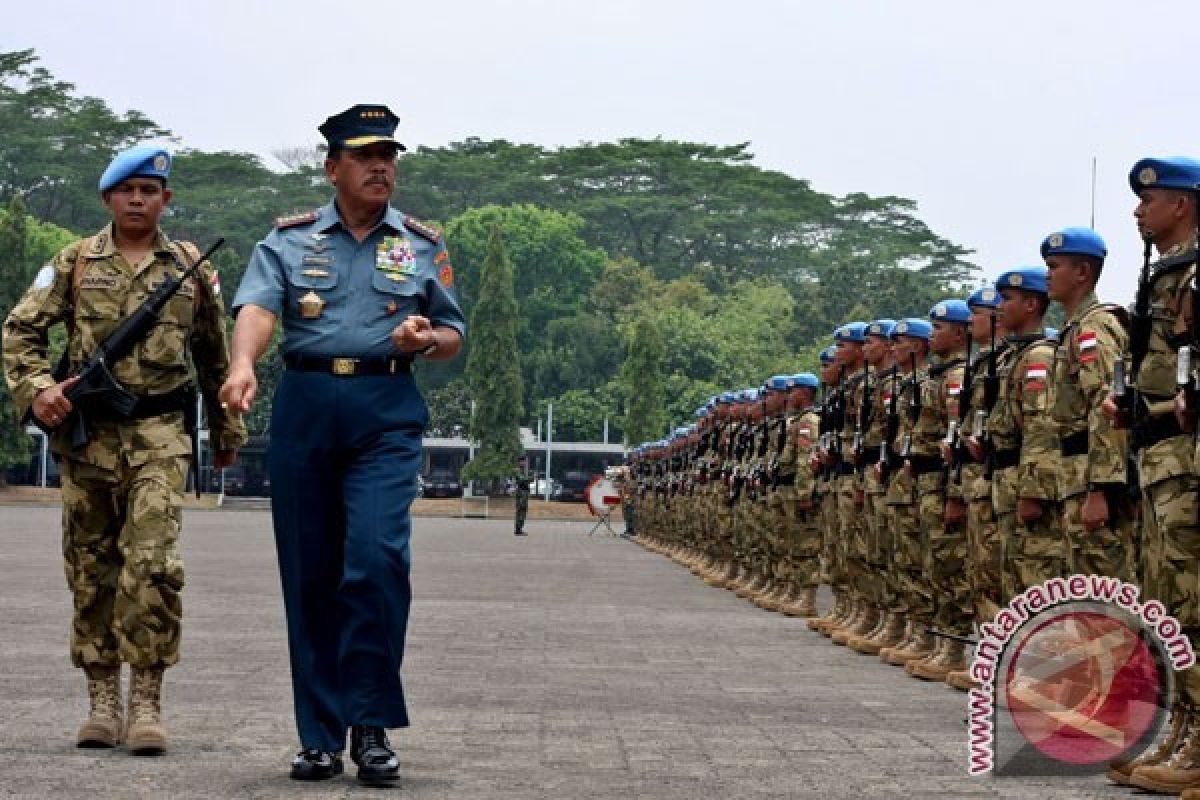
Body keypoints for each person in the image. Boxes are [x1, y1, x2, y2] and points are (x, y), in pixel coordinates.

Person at [218, 104, 466, 786]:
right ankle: (320, 736)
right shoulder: (289, 241)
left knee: (377, 559)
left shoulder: (420, 244)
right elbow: (259, 309)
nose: (381, 166)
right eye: (365, 156)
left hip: (385, 411)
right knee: (310, 574)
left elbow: (452, 334)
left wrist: (425, 340)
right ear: (333, 168)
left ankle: (373, 722)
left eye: (389, 155)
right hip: (305, 407)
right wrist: (242, 364)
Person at [2, 145, 245, 754]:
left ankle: (146, 701)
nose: (139, 199)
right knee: (93, 570)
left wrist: (227, 431)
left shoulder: (189, 267)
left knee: (154, 563)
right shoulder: (75, 261)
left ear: (165, 200)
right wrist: (38, 391)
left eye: (150, 190)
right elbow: (21, 330)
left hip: (160, 435)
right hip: (90, 440)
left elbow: (214, 354)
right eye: (128, 190)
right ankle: (102, 699)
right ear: (109, 198)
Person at [512, 458, 533, 535]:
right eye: (522, 461)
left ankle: (520, 528)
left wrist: (529, 478)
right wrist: (529, 478)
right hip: (521, 492)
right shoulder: (517, 470)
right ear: (519, 462)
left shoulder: (526, 471)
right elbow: (522, 479)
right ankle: (517, 529)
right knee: (520, 510)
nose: (524, 463)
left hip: (525, 492)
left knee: (524, 510)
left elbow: (531, 479)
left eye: (525, 461)